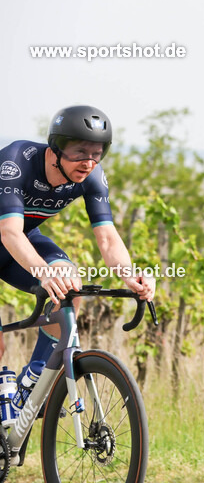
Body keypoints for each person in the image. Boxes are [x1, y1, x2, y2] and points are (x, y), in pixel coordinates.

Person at [0, 105, 155, 413]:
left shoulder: (92, 175)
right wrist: (43, 272)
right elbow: (10, 232)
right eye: (79, 152)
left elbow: (107, 238)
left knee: (69, 283)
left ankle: (33, 383)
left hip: (20, 242)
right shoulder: (15, 162)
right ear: (55, 148)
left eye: (97, 154)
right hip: (11, 237)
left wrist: (130, 275)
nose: (88, 162)